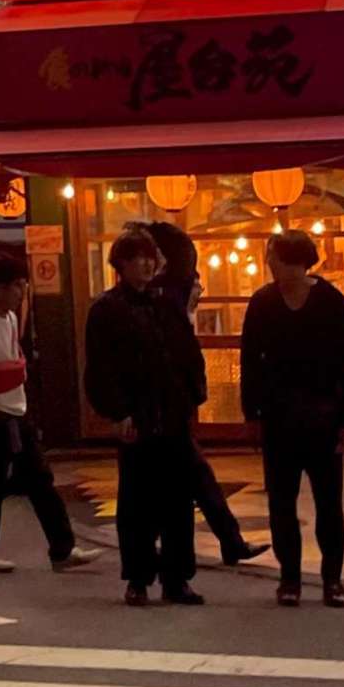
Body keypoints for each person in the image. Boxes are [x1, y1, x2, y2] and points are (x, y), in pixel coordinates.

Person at [83, 226, 208, 607]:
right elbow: (100, 369)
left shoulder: (164, 303)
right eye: (139, 258)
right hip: (135, 418)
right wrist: (116, 413)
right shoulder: (106, 309)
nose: (146, 264)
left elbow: (186, 352)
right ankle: (138, 576)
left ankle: (177, 577)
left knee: (177, 501)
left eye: (150, 258)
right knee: (136, 502)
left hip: (171, 413)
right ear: (121, 263)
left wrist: (192, 396)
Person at [241, 229, 344, 608]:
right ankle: (289, 578)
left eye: (274, 256)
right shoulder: (262, 302)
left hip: (323, 417)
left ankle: (333, 580)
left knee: (329, 504)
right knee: (281, 503)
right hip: (279, 419)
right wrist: (252, 412)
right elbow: (249, 361)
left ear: (295, 259)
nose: (270, 262)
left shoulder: (330, 301)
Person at [0, 256, 96, 575]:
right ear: (0, 288)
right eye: (17, 286)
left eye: (23, 285)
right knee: (1, 482)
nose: (22, 292)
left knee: (36, 480)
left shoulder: (9, 318)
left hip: (16, 411)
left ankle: (61, 548)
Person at [147, 220, 263, 570]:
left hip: (171, 404)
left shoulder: (164, 292)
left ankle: (227, 542)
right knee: (182, 477)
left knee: (187, 476)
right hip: (162, 405)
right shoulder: (161, 297)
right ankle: (222, 544)